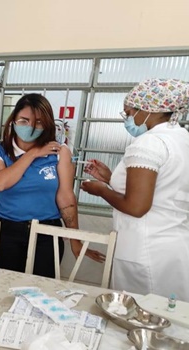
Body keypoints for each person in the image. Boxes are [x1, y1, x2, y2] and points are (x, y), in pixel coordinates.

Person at [81, 78, 189, 301]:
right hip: (174, 245)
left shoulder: (149, 144)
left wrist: (100, 190)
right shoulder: (182, 139)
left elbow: (137, 206)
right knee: (170, 315)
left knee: (140, 311)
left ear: (148, 109)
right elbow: (161, 189)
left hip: (146, 248)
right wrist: (111, 178)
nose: (128, 119)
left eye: (129, 113)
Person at [0, 93, 104, 278]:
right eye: (24, 120)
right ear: (13, 121)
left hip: (47, 233)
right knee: (4, 287)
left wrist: (75, 241)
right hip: (5, 231)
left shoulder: (59, 153)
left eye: (38, 122)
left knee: (42, 289)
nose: (30, 126)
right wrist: (32, 154)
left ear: (46, 124)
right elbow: (0, 183)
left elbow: (66, 198)